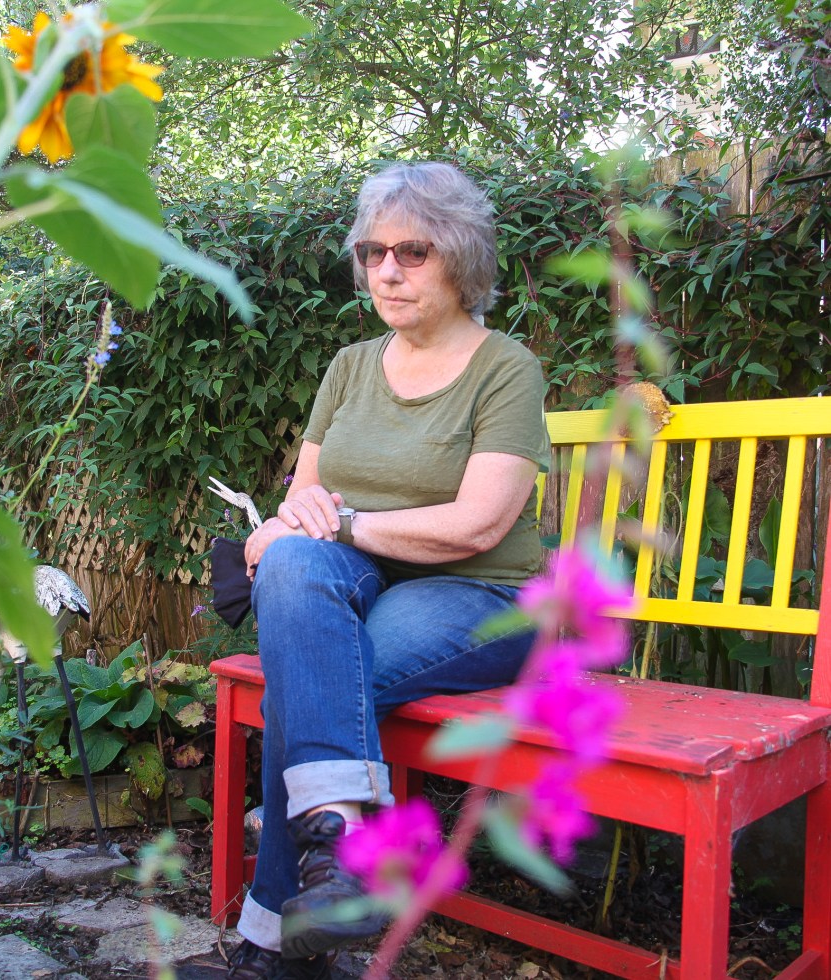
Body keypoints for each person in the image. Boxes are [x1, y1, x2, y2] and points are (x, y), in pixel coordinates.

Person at [226, 162, 551, 980]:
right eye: (373, 252)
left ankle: (275, 953)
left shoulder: (505, 367)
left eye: (413, 251)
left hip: (482, 596)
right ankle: (341, 847)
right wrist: (285, 529)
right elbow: (304, 502)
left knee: (312, 670)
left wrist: (348, 522)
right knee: (298, 573)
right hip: (356, 585)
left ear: (463, 259)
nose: (387, 271)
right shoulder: (349, 365)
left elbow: (476, 524)